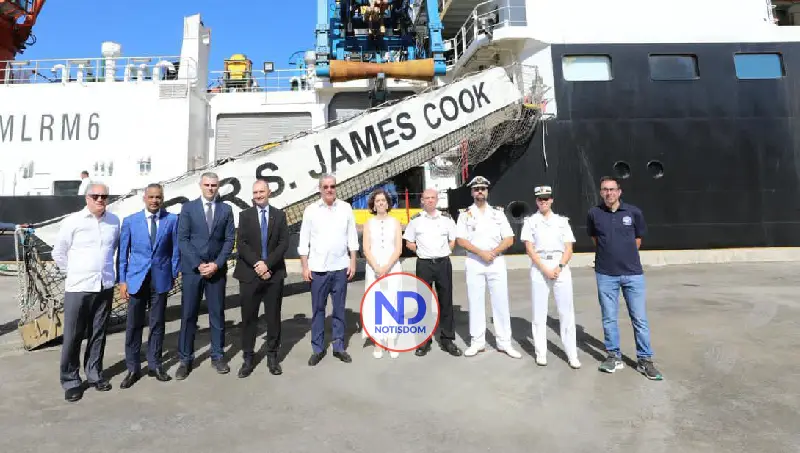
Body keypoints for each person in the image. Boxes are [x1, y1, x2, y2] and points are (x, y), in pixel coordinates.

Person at [586, 176, 663, 380]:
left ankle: (645, 360)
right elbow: (596, 238)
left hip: (632, 274)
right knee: (609, 318)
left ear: (619, 192)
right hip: (605, 274)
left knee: (639, 319)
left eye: (612, 189)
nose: (609, 193)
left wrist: (625, 255)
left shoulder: (633, 212)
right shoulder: (594, 213)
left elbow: (638, 239)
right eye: (605, 190)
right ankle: (614, 356)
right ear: (601, 192)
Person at [51, 183, 120, 402]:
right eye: (95, 196)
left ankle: (94, 374)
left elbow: (115, 250)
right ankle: (71, 380)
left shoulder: (114, 221)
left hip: (104, 285)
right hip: (79, 287)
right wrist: (74, 272)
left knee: (98, 333)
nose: (100, 199)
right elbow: (59, 253)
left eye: (104, 196)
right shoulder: (72, 222)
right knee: (73, 335)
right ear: (86, 198)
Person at [116, 183, 180, 389]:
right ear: (144, 198)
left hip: (160, 280)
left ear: (162, 199)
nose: (154, 201)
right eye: (151, 197)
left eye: (158, 197)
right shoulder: (130, 222)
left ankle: (155, 364)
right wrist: (123, 281)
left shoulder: (172, 220)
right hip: (136, 280)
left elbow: (176, 250)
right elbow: (122, 254)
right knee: (133, 325)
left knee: (157, 324)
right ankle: (133, 368)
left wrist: (172, 273)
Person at [175, 172, 236, 380]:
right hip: (193, 271)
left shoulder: (226, 210)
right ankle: (185, 359)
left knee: (217, 314)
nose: (211, 188)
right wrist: (199, 264)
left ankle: (218, 356)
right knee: (188, 315)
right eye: (207, 185)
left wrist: (216, 264)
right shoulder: (188, 208)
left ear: (218, 187)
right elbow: (182, 239)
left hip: (216, 271)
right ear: (200, 186)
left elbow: (229, 240)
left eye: (214, 185)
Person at [455, 176, 522, 359]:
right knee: (475, 302)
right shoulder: (465, 214)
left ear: (487, 191)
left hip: (496, 261)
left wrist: (492, 252)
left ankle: (504, 342)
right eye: (476, 189)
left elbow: (509, 238)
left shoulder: (498, 213)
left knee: (500, 302)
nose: (480, 192)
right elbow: (461, 239)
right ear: (471, 192)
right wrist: (481, 253)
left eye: (483, 189)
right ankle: (477, 342)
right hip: (475, 261)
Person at [298, 174, 359, 366]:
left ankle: (339, 347)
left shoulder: (345, 208)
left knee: (339, 309)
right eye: (325, 187)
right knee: (318, 310)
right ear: (320, 189)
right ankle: (317, 348)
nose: (329, 190)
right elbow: (303, 241)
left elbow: (352, 237)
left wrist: (353, 262)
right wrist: (305, 266)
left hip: (340, 267)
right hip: (318, 270)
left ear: (336, 187)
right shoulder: (311, 210)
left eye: (332, 186)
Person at [233, 179, 289, 378]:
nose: (258, 195)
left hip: (274, 274)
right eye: (255, 192)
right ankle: (248, 357)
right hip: (249, 275)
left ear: (269, 192)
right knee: (249, 318)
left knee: (273, 317)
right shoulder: (245, 215)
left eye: (261, 192)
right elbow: (242, 244)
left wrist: (268, 264)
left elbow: (284, 243)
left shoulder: (280, 216)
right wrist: (258, 264)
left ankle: (272, 356)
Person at [520, 185, 580, 369]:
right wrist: (545, 268)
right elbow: (529, 248)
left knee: (566, 313)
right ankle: (541, 353)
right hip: (540, 267)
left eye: (546, 198)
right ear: (536, 201)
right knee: (539, 313)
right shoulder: (530, 222)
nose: (543, 202)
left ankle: (572, 354)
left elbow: (569, 248)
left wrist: (559, 266)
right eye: (540, 199)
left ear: (552, 200)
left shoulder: (562, 222)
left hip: (560, 265)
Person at [402, 188, 462, 357]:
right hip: (424, 264)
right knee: (423, 303)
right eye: (426, 198)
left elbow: (453, 240)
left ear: (437, 200)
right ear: (422, 200)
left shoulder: (447, 219)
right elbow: (409, 243)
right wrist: (423, 251)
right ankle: (423, 341)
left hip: (443, 263)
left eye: (432, 198)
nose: (429, 200)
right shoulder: (416, 221)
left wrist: (444, 251)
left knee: (446, 301)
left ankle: (447, 339)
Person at [361, 188, 403, 359]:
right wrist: (377, 267)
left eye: (383, 201)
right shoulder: (368, 223)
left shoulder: (395, 222)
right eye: (377, 201)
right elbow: (366, 248)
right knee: (376, 303)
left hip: (392, 267)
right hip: (373, 268)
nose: (380, 203)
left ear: (388, 203)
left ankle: (391, 341)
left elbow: (399, 248)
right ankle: (378, 342)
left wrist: (387, 267)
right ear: (373, 204)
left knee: (392, 303)